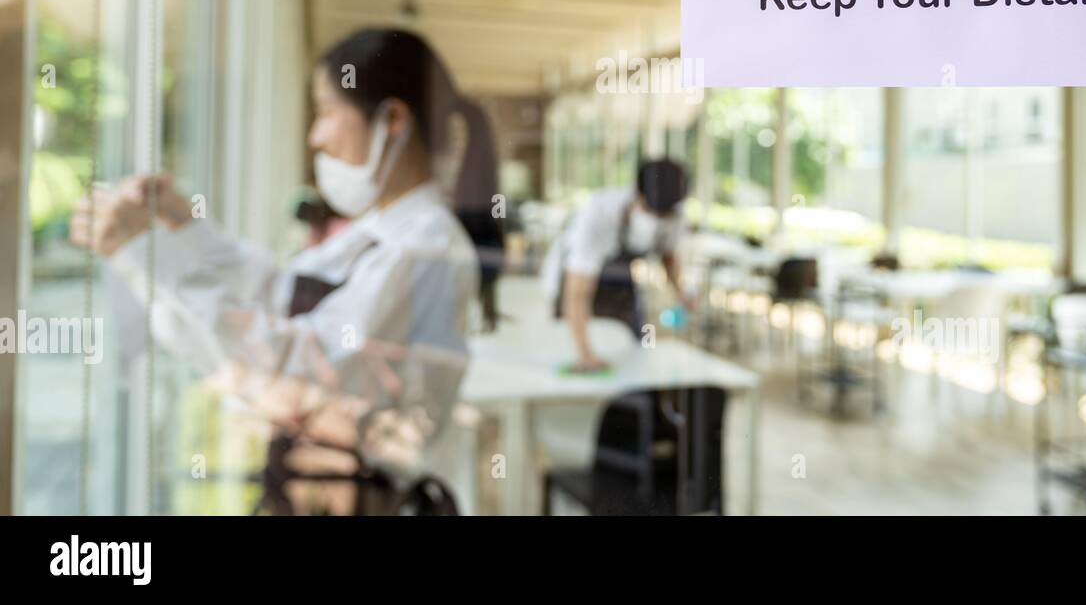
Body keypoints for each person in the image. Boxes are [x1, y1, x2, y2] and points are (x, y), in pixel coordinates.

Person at [71, 28, 494, 510]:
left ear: (393, 119)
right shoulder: (384, 231)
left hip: (367, 497)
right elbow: (279, 291)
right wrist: (181, 225)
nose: (316, 136)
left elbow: (300, 362)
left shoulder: (427, 248)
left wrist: (149, 255)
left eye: (327, 112)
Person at [543, 158, 694, 372]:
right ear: (637, 193)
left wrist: (681, 291)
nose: (656, 219)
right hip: (574, 282)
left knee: (631, 350)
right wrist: (585, 356)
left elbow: (668, 255)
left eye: (663, 215)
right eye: (650, 211)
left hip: (621, 283)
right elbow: (576, 294)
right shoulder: (599, 213)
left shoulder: (675, 215)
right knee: (573, 353)